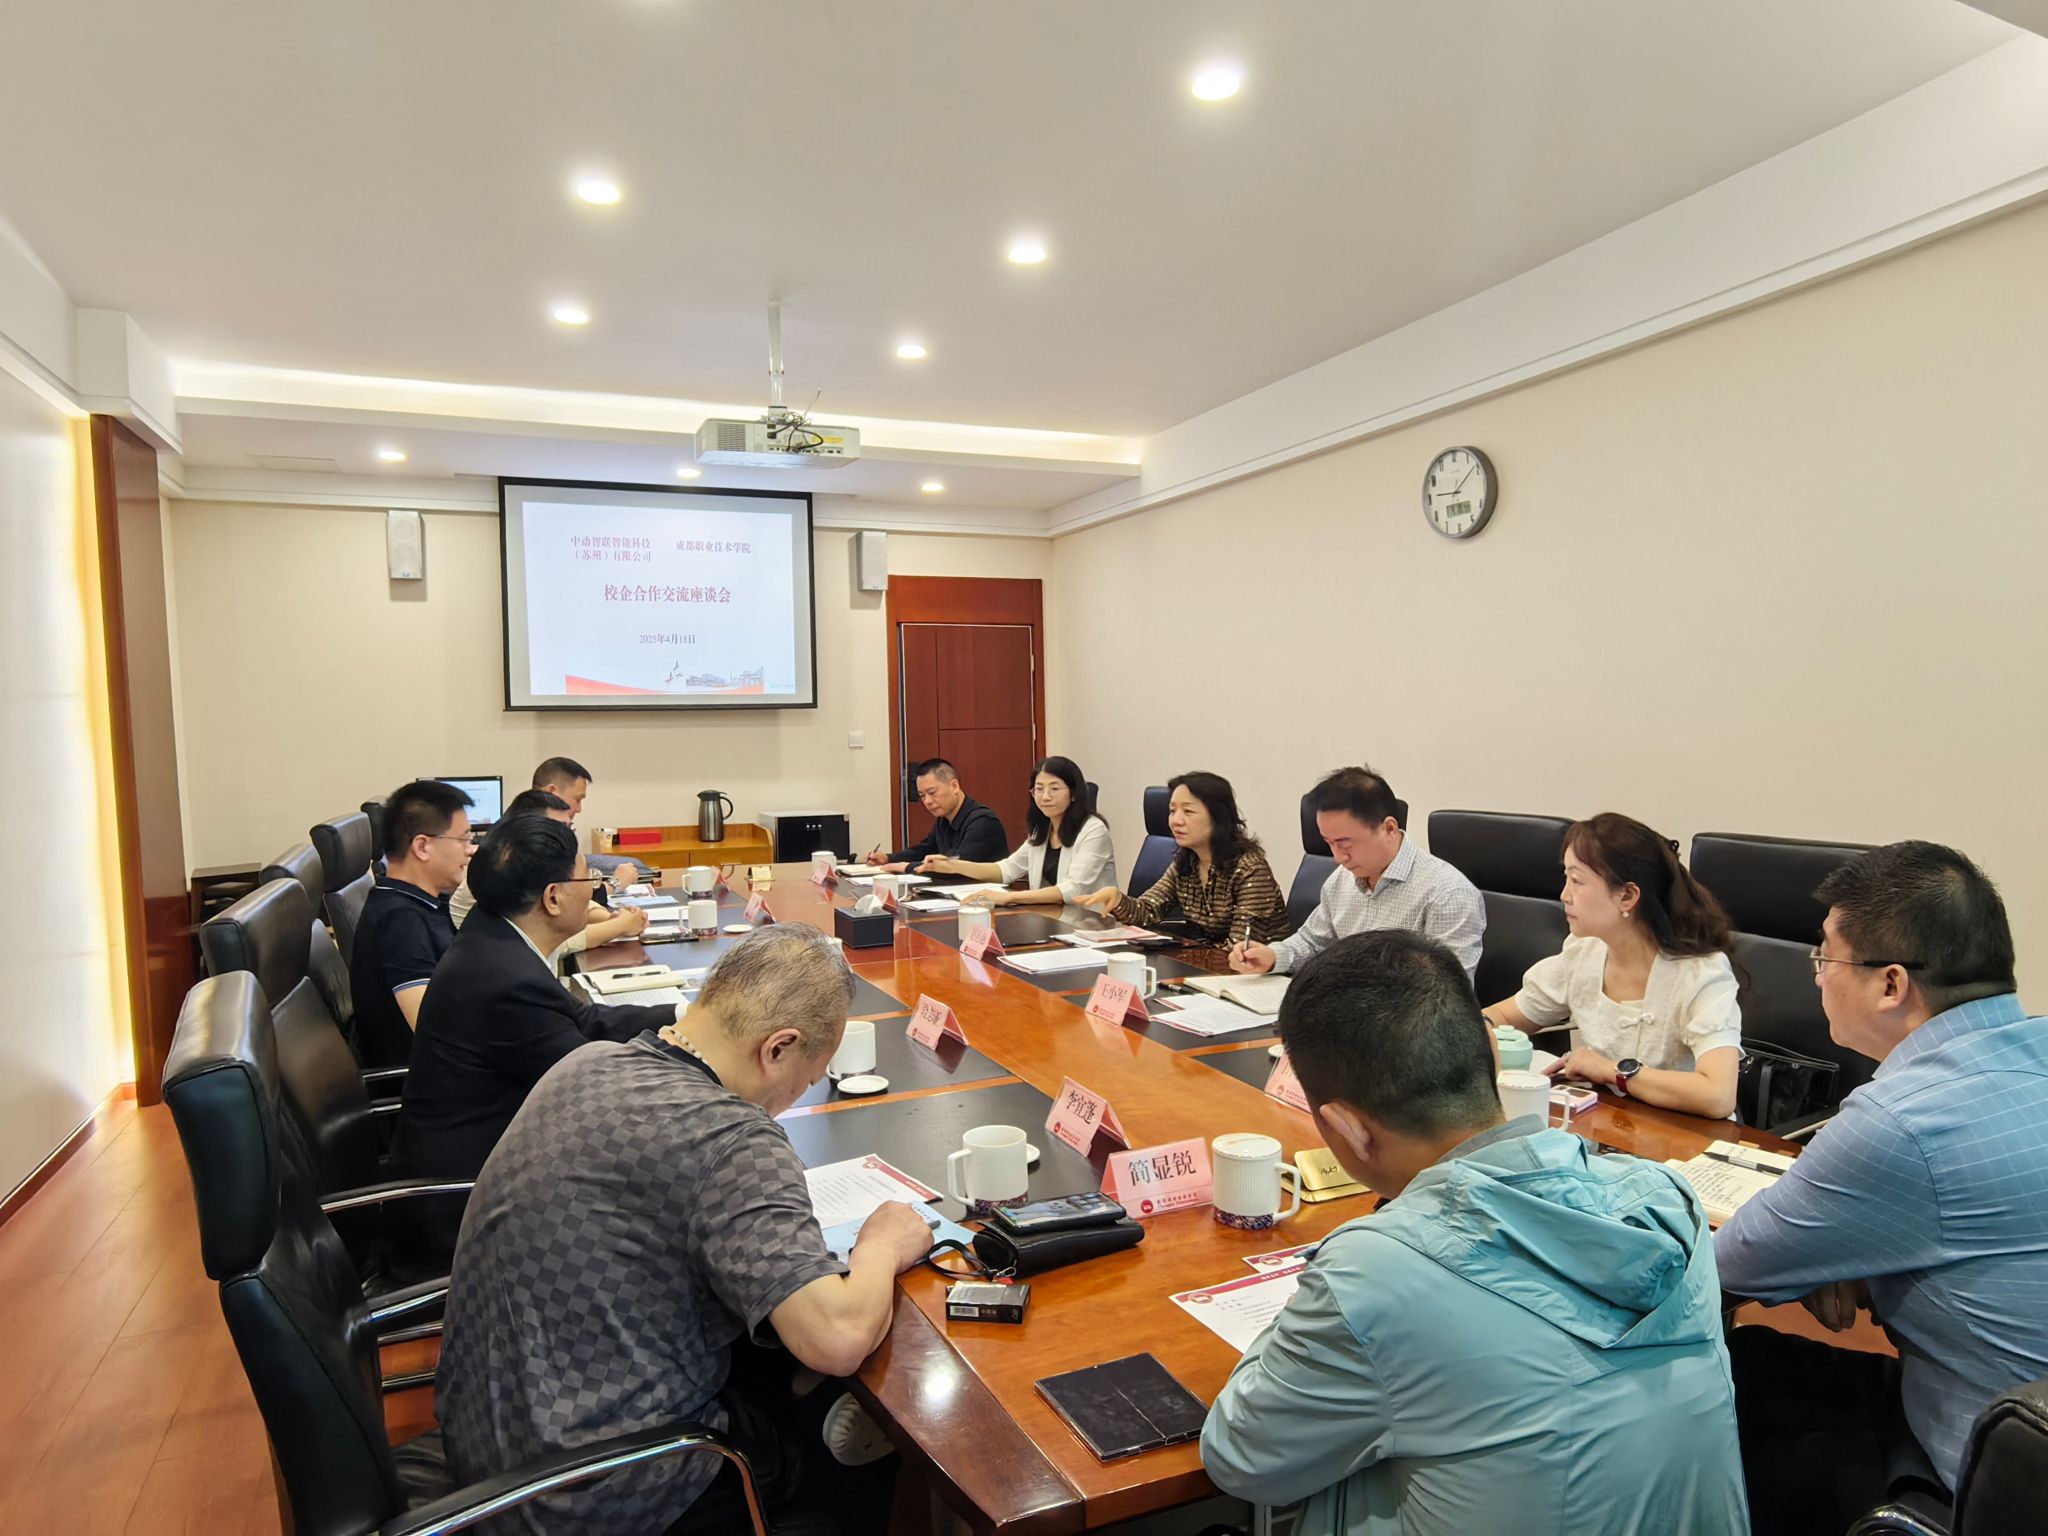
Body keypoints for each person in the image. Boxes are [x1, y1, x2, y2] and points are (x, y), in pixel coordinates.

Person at [1202, 931, 1747, 1535]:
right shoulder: (1668, 1201)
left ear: (1346, 1130)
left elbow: (1241, 1456)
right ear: (1492, 1051)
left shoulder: (1374, 1274)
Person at [437, 926, 932, 1535]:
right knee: (856, 1430)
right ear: (778, 1048)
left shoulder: (588, 1062)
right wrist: (881, 1245)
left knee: (767, 1354)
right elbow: (839, 1337)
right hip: (594, 1496)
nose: (796, 1097)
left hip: (490, 1450)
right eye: (808, 1078)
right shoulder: (731, 1138)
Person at [1714, 842, 2048, 1534]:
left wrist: (1828, 1256)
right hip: (2015, 1410)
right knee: (1764, 1361)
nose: (1816, 975)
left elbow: (1725, 1267)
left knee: (1719, 1389)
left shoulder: (1901, 1121)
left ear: (1891, 984)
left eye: (1824, 957)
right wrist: (1854, 1250)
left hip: (1992, 1480)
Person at [395, 814, 683, 1260]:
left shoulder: (493, 937)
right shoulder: (506, 980)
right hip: (470, 1209)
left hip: (491, 1162)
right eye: (587, 879)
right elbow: (601, 1087)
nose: (594, 889)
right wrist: (702, 1062)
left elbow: (584, 1022)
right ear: (553, 897)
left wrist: (686, 1016)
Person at [1481, 813, 1743, 1118]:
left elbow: (1718, 1095)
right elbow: (1502, 1016)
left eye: (1577, 881)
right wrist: (1480, 1030)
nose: (1564, 895)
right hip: (1609, 1125)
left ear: (1627, 896)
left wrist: (1610, 1070)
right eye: (1566, 878)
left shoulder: (1700, 973)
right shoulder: (1585, 952)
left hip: (1682, 1134)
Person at [1230, 765, 1483, 981]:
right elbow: (1312, 942)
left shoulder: (1448, 894)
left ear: (1389, 829)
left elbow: (1447, 994)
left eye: (1345, 843)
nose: (1338, 857)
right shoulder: (1342, 879)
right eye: (1329, 843)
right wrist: (1273, 956)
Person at [1078, 771, 1290, 946]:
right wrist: (1118, 900)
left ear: (1218, 817)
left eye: (1188, 811)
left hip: (1255, 975)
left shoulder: (1249, 869)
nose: (1175, 821)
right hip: (1206, 968)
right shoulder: (1187, 862)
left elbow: (1240, 948)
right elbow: (1148, 912)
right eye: (1172, 811)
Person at [348, 779, 474, 1068]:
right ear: (423, 846)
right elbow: (437, 1031)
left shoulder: (422, 901)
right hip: (429, 1081)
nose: (470, 850)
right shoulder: (400, 921)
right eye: (464, 839)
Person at [449, 789, 649, 958]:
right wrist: (619, 925)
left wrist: (608, 917)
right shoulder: (499, 869)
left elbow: (569, 896)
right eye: (557, 830)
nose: (565, 837)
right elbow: (557, 941)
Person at [922, 755, 1116, 907]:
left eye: (1054, 789)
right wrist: (952, 865)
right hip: (1052, 919)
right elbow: (1006, 870)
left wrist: (1009, 897)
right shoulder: (1042, 829)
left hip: (1091, 924)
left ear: (1073, 794)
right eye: (1039, 789)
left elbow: (1073, 889)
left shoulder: (1093, 830)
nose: (1045, 797)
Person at [863, 758, 1008, 872]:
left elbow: (958, 864)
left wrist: (908, 867)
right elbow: (925, 850)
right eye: (922, 795)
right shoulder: (944, 819)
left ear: (954, 786)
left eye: (932, 793)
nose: (927, 801)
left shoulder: (983, 822)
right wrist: (888, 858)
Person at [534, 753, 646, 883]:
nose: (579, 809)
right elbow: (568, 889)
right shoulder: (534, 838)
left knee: (636, 866)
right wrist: (615, 883)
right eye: (577, 799)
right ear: (552, 793)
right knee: (637, 869)